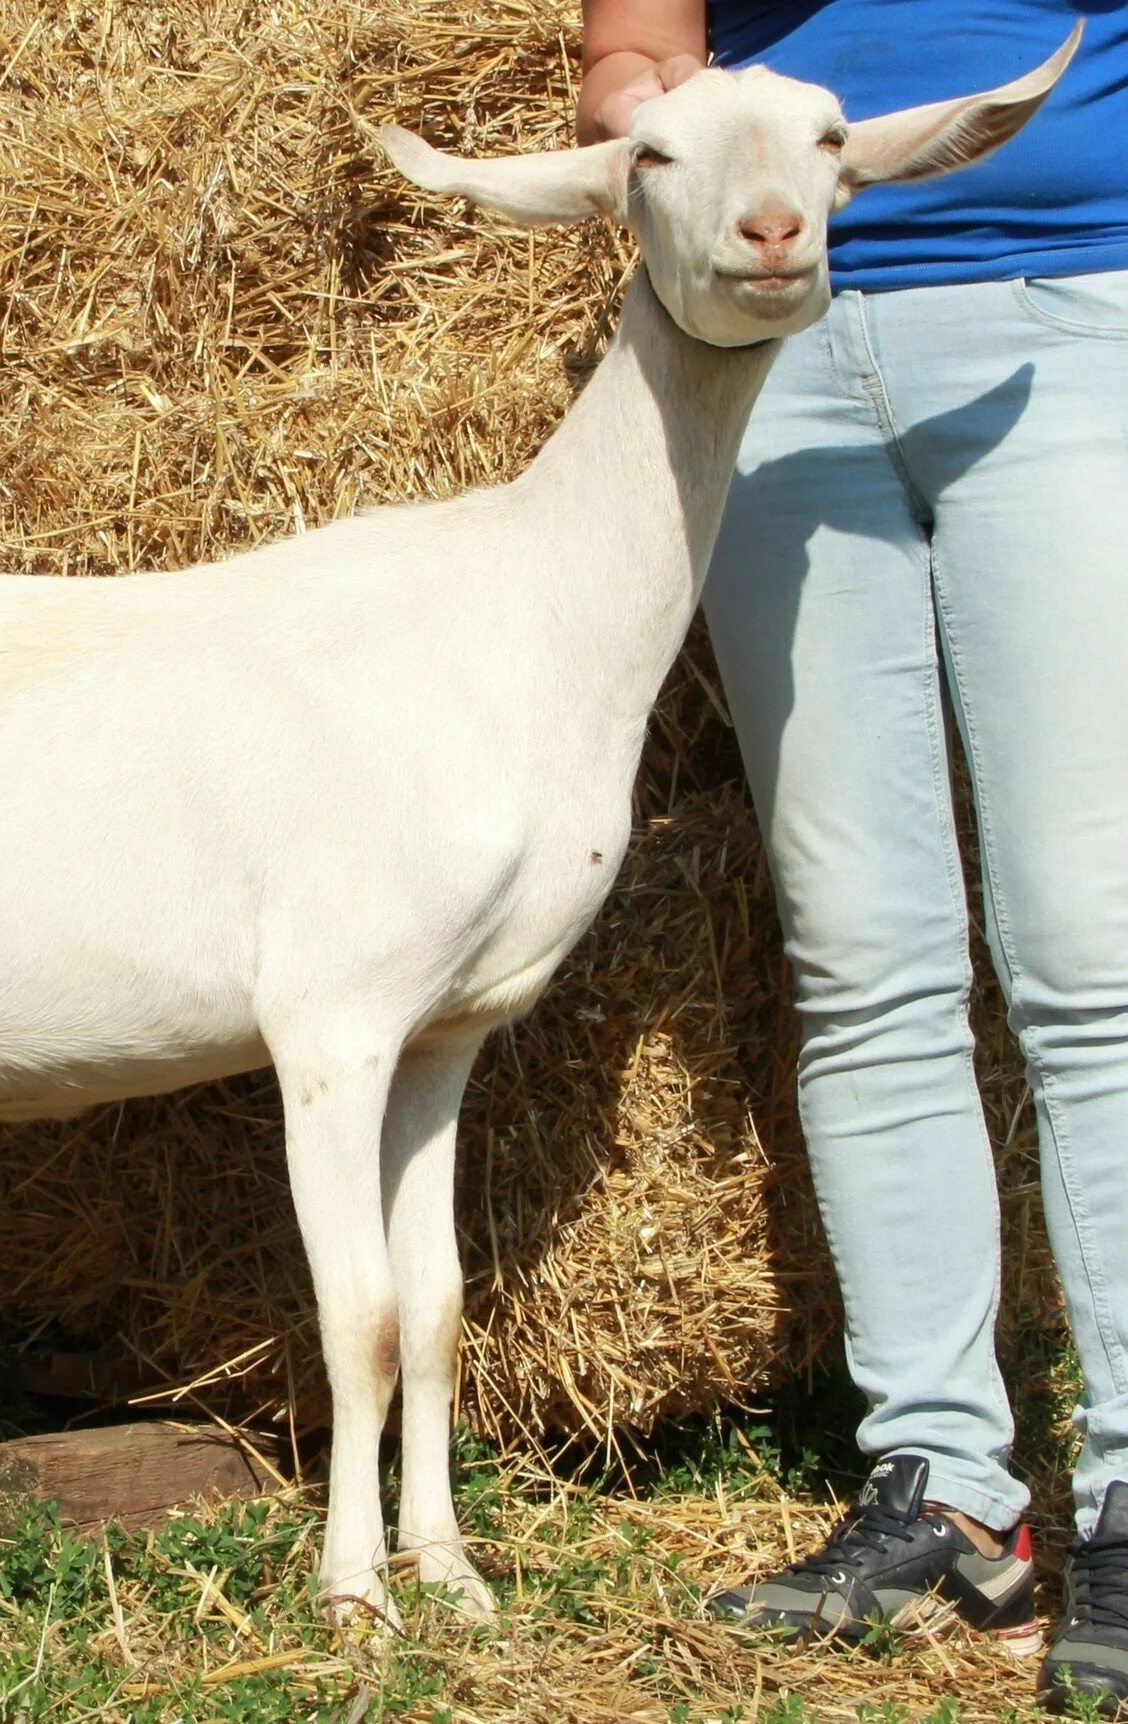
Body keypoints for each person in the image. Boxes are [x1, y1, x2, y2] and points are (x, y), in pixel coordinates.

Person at [579, 1, 1128, 1712]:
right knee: (862, 944)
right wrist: (646, 114)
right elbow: (630, 44)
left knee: (1093, 943)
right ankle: (945, 1485)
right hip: (773, 347)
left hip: (1073, 300)